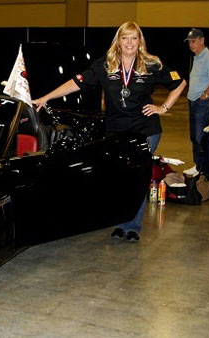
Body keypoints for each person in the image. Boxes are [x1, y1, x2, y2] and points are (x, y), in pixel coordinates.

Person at [32, 21, 187, 243]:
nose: (130, 43)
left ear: (139, 41)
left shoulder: (152, 64)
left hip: (146, 130)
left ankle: (132, 226)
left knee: (137, 176)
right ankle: (121, 222)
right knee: (119, 177)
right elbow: (77, 82)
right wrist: (47, 97)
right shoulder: (105, 65)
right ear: (119, 40)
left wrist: (163, 108)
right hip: (116, 130)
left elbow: (179, 84)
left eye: (134, 38)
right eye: (125, 38)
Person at [182, 28, 209, 177]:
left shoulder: (208, 56)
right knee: (194, 136)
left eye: (194, 41)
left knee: (201, 137)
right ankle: (198, 165)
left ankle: (205, 169)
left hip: (203, 104)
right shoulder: (197, 58)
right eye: (189, 43)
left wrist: (206, 94)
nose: (191, 45)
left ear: (202, 40)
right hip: (194, 101)